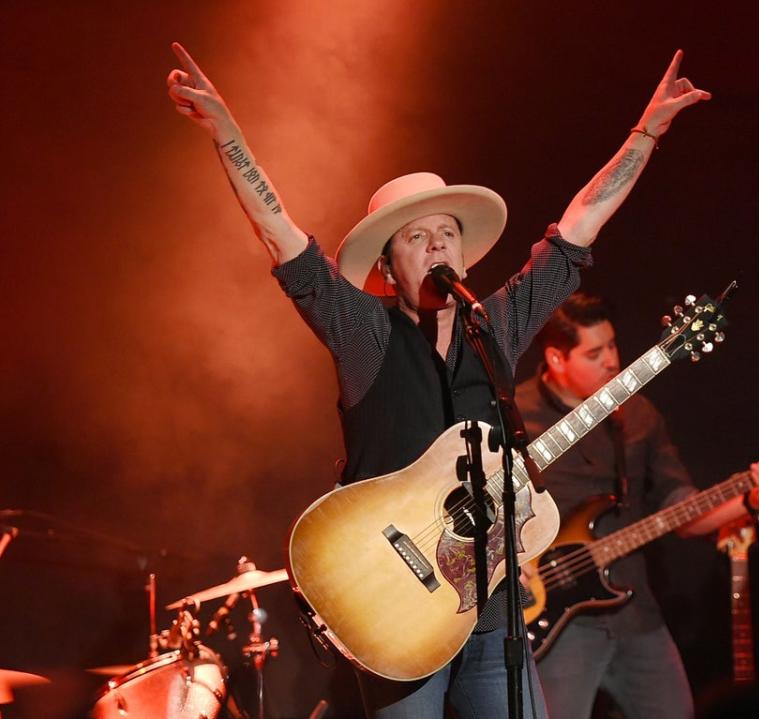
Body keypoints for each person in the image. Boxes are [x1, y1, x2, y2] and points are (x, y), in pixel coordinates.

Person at [166, 41, 710, 719]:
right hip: (395, 610)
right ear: (388, 268)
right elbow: (283, 239)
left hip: (492, 615)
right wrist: (227, 135)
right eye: (416, 237)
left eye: (446, 232)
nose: (436, 246)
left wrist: (647, 131)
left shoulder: (497, 325)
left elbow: (579, 225)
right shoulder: (366, 331)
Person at [514, 293, 759, 719]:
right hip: (554, 621)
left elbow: (682, 509)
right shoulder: (514, 415)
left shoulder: (638, 414)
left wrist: (753, 500)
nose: (612, 361)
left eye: (612, 345)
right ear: (555, 358)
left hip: (635, 610)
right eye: (594, 352)